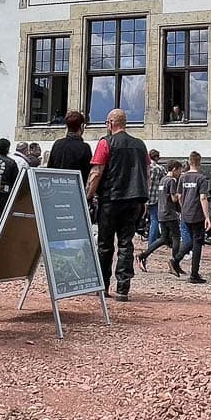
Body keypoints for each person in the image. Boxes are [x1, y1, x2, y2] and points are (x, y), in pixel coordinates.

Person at [85, 108, 148, 301]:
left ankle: (103, 286)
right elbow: (146, 172)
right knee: (126, 243)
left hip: (111, 199)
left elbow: (97, 172)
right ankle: (123, 288)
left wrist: (89, 195)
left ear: (111, 123)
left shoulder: (106, 142)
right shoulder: (140, 145)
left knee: (105, 244)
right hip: (134, 199)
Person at [169, 151, 211, 284]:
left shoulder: (183, 177)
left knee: (189, 241)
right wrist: (207, 217)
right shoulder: (201, 178)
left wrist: (184, 208)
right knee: (197, 243)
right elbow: (203, 198)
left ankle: (176, 260)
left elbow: (179, 196)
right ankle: (194, 273)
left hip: (185, 213)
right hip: (197, 214)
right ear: (199, 162)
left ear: (189, 162)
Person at [138, 160, 183, 270]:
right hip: (170, 213)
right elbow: (174, 199)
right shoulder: (172, 181)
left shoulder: (163, 180)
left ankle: (143, 255)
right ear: (174, 169)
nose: (180, 173)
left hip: (161, 212)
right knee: (176, 237)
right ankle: (175, 263)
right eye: (179, 170)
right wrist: (180, 194)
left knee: (163, 238)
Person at [48, 111, 92, 182]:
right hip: (75, 185)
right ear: (81, 126)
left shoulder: (57, 144)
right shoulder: (84, 147)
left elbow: (50, 168)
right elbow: (88, 173)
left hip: (57, 184)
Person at [143, 148, 165, 241]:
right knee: (154, 219)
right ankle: (152, 242)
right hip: (155, 197)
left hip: (143, 195)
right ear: (156, 158)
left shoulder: (144, 167)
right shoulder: (160, 169)